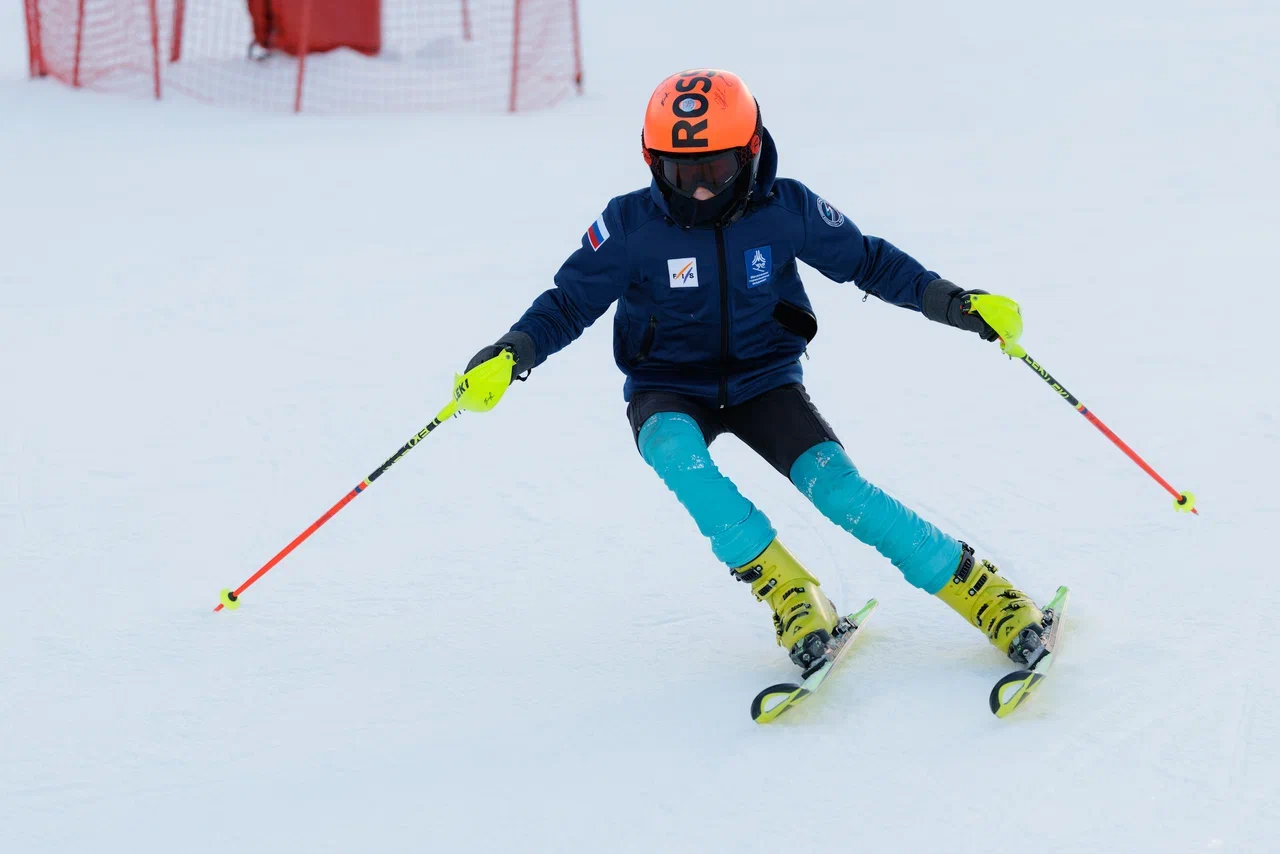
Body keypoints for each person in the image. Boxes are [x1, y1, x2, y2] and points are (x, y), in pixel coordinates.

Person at [463, 69, 1049, 673]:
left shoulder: (784, 209)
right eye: (679, 172)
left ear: (749, 152)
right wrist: (513, 351)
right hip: (668, 385)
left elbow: (868, 261)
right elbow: (568, 302)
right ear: (651, 161)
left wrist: (953, 303)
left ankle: (983, 591)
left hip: (765, 380)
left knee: (840, 491)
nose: (698, 191)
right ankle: (791, 592)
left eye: (714, 170)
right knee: (674, 453)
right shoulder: (630, 227)